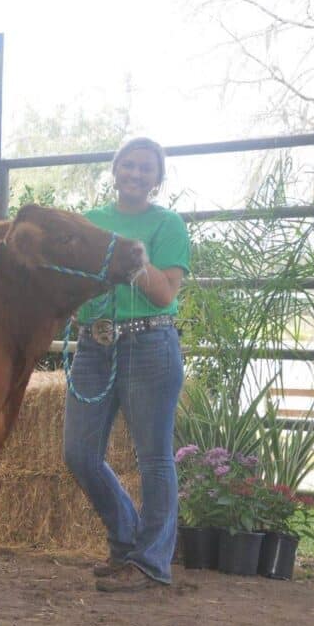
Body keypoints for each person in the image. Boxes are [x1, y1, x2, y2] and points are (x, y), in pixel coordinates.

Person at [63, 137, 190, 592]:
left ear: (157, 179)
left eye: (146, 169)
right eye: (129, 166)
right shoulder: (91, 221)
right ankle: (128, 539)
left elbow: (164, 293)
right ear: (115, 170)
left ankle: (150, 562)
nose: (136, 174)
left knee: (154, 458)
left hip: (149, 342)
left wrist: (135, 260)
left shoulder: (168, 224)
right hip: (94, 345)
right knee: (78, 454)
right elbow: (73, 282)